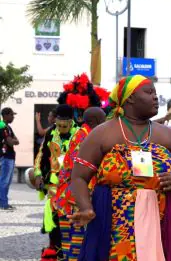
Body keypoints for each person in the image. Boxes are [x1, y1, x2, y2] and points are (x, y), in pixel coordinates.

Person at [69, 75, 171, 261]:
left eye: (155, 92)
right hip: (113, 221)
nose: (155, 97)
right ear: (130, 98)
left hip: (158, 219)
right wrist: (86, 207)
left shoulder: (167, 135)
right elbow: (79, 177)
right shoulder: (102, 134)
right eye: (149, 92)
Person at [53, 107, 106, 261]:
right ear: (95, 121)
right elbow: (81, 170)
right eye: (103, 120)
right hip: (74, 198)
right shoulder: (86, 137)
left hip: (66, 196)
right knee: (76, 244)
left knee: (70, 244)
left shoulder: (81, 134)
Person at [34, 104, 80, 260]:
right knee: (53, 219)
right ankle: (56, 250)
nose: (61, 128)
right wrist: (39, 174)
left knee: (71, 218)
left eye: (64, 126)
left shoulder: (80, 134)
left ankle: (72, 252)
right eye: (58, 125)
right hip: (53, 183)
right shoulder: (50, 133)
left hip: (72, 183)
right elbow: (41, 155)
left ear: (71, 121)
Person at [0, 107, 19, 211]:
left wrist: (13, 140)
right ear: (6, 115)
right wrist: (13, 141)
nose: (13, 117)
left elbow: (17, 140)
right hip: (5, 156)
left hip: (10, 156)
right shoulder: (3, 127)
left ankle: (3, 202)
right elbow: (11, 142)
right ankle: (3, 204)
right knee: (4, 180)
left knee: (7, 181)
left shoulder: (8, 127)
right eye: (12, 115)